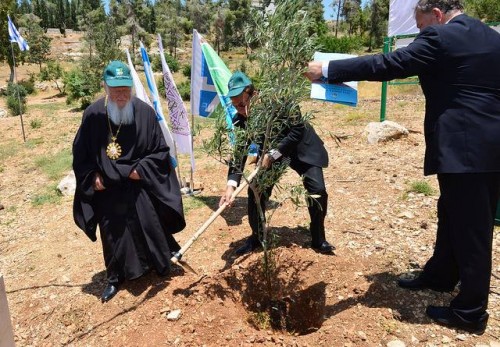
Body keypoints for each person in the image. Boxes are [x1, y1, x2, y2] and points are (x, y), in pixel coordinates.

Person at [306, 0, 500, 334]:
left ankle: (470, 312)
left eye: (422, 26)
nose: (422, 32)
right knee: (453, 211)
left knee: (473, 229)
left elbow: (389, 64)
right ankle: (441, 274)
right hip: (489, 144)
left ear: (437, 15)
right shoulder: (492, 37)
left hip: (465, 147)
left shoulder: (440, 37)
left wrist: (328, 70)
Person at [72, 61, 186, 302]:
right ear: (104, 87)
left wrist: (142, 169)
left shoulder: (144, 112)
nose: (121, 95)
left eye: (125, 89)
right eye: (115, 90)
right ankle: (115, 278)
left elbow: (160, 151)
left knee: (149, 226)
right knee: (113, 236)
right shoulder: (93, 115)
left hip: (137, 185)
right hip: (108, 190)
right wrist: (92, 176)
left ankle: (160, 265)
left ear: (131, 88)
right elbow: (80, 154)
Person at [219, 71, 335, 256]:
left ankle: (318, 239)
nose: (240, 109)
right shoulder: (241, 119)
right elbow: (240, 152)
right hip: (270, 156)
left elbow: (296, 130)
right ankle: (257, 237)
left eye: (242, 104)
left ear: (254, 95)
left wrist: (272, 155)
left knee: (317, 190)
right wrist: (230, 186)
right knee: (255, 190)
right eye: (235, 106)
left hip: (301, 149)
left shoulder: (280, 101)